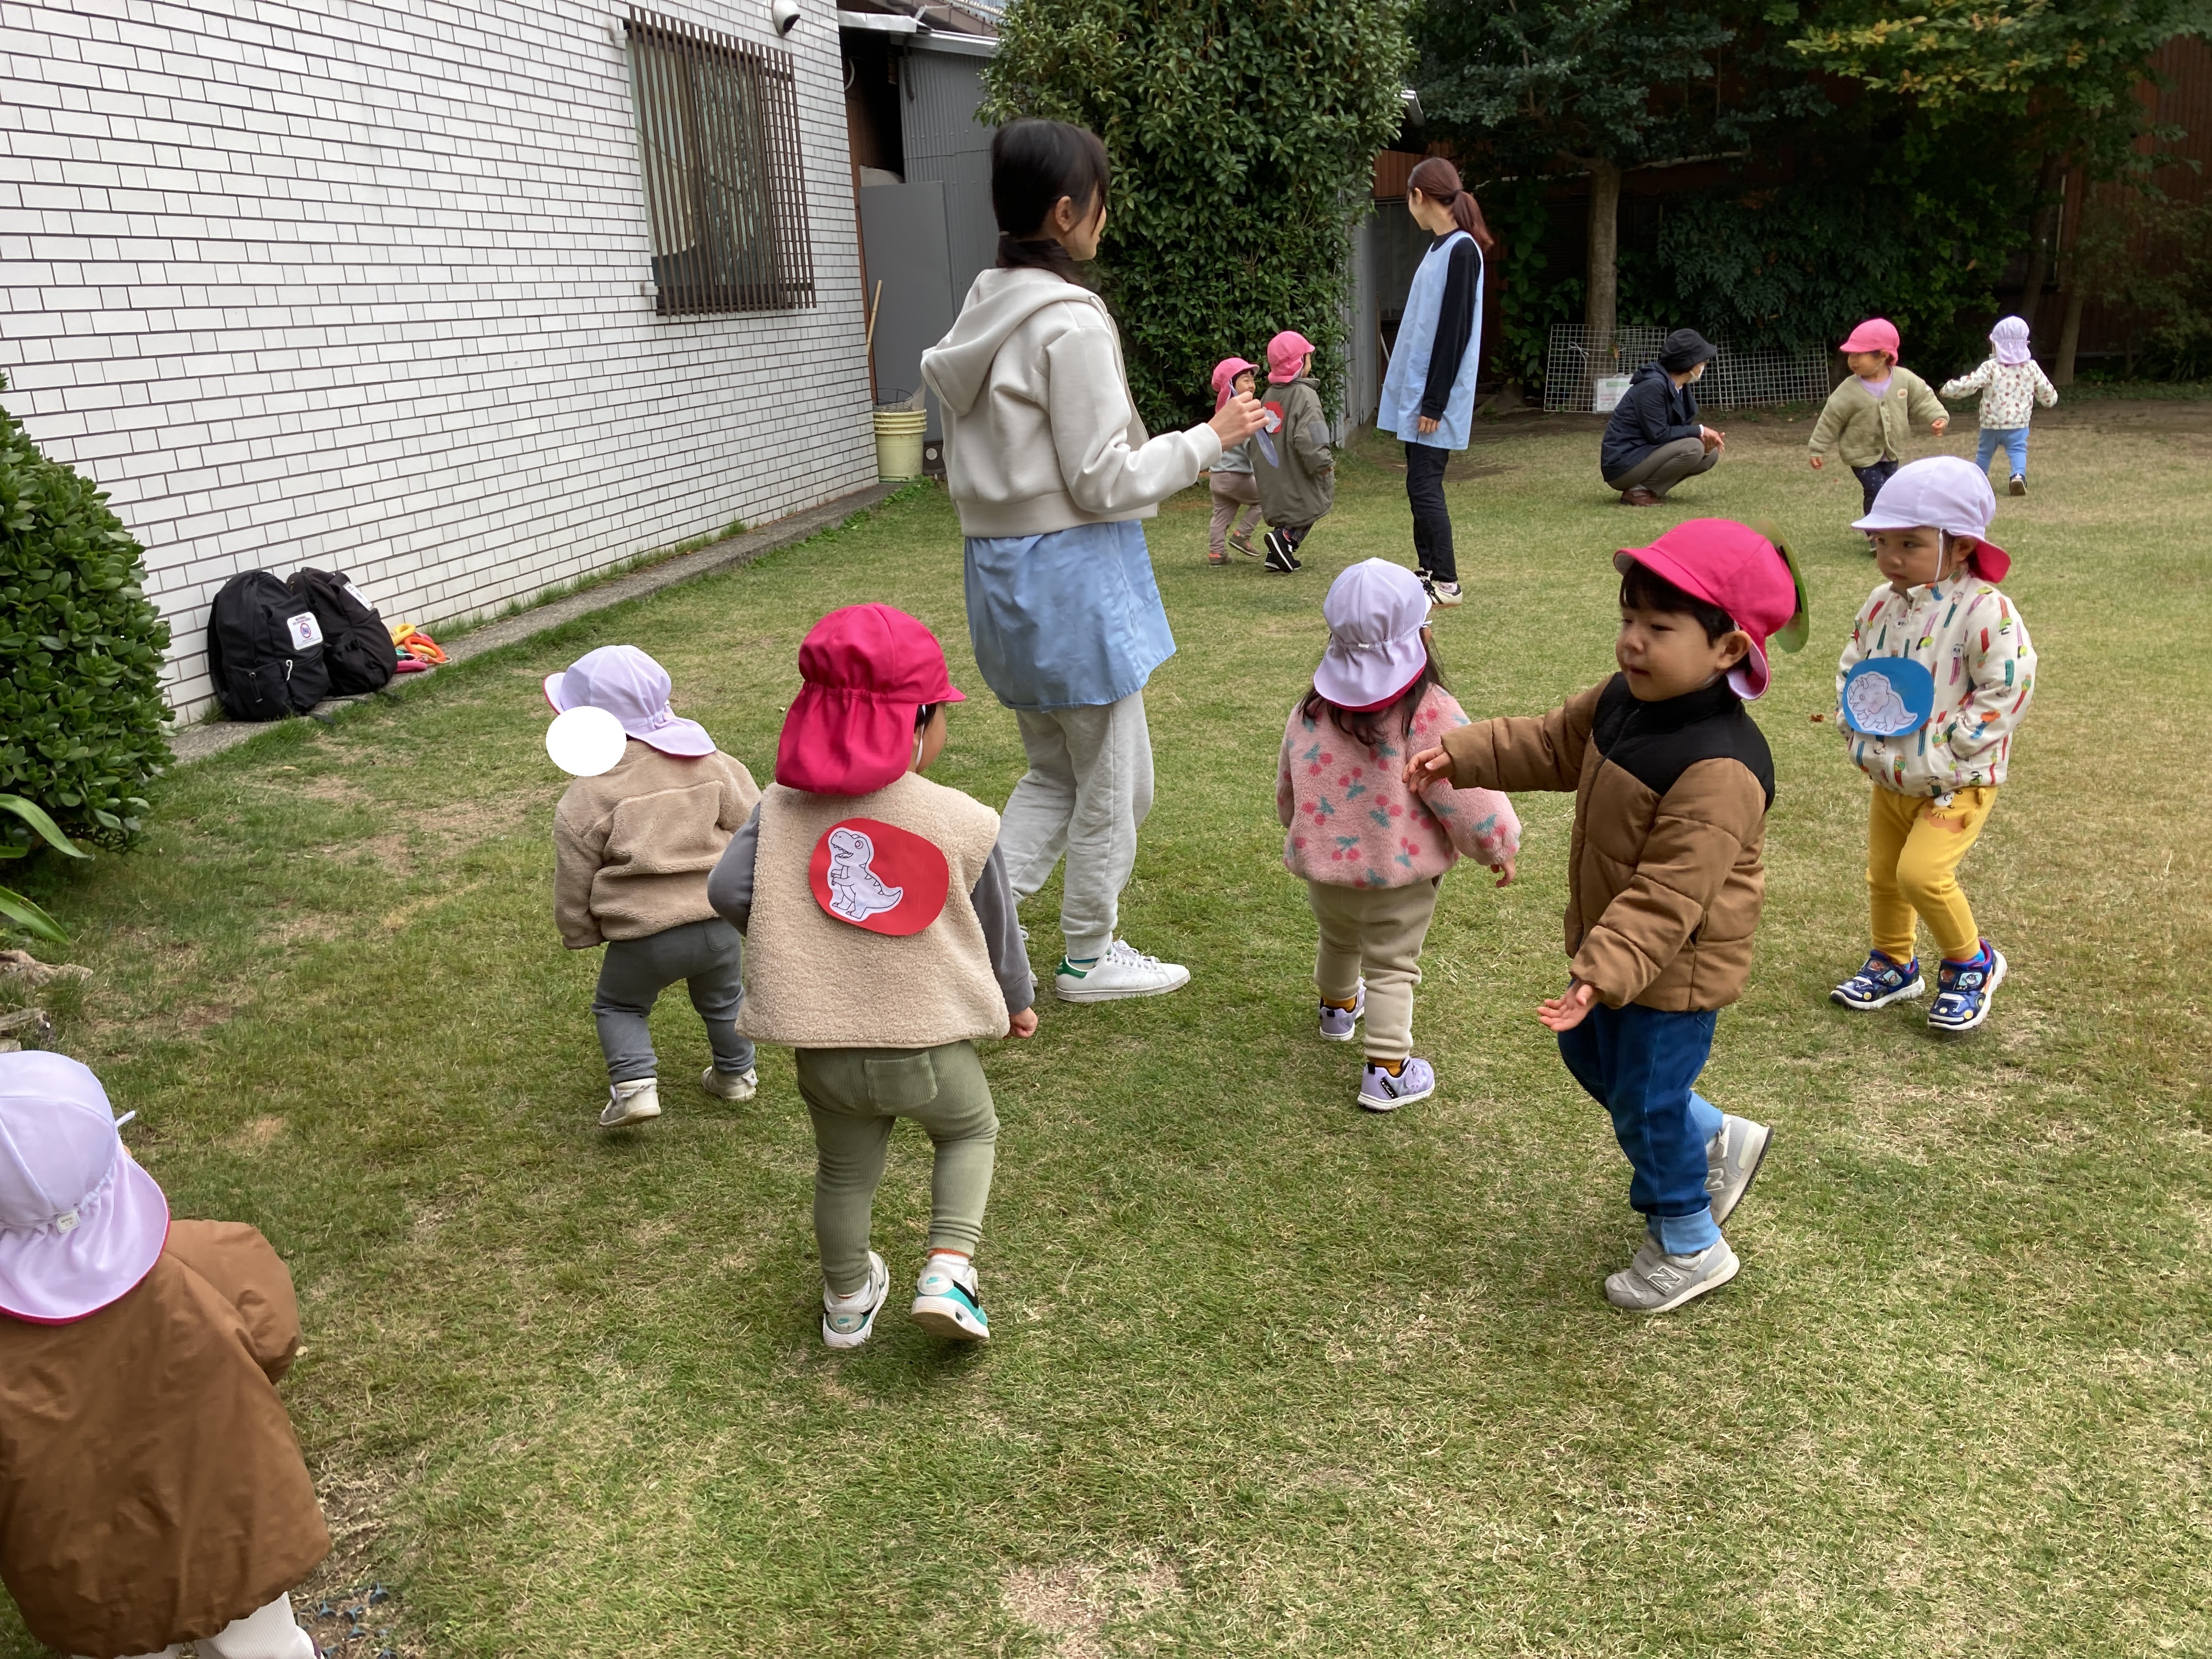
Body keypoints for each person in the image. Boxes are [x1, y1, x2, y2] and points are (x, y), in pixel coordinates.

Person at [1406, 520, 1806, 1312]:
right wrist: (1468, 752)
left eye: (1659, 627)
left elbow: (1670, 894)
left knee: (1648, 1103)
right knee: (1591, 1056)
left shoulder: (1721, 767)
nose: (1633, 641)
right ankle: (1712, 1137)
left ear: (1728, 649)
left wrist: (1601, 970)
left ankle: (1690, 1241)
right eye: (1628, 619)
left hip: (1673, 969)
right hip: (1616, 953)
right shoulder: (1625, 698)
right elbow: (1555, 744)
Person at [921, 119, 1266, 1003]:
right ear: (1068, 211)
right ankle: (1086, 955)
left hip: (1003, 577)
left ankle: (965, 920)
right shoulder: (1067, 320)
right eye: (1101, 203)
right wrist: (1210, 438)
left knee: (1065, 772)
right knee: (1112, 784)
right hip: (1070, 578)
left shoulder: (984, 304)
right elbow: (1103, 477)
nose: (1106, 219)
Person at [708, 605, 1037, 1349]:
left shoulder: (778, 809)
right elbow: (997, 926)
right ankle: (948, 1272)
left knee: (843, 1171)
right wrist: (1017, 1001)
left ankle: (848, 1303)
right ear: (915, 722)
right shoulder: (963, 818)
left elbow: (726, 891)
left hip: (824, 1052)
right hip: (929, 1048)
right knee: (969, 1132)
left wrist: (792, 935)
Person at [0, 1052, 330, 1659]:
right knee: (264, 1648)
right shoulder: (200, 1260)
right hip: (234, 1526)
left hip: (92, 1576)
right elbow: (275, 1337)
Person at [1278, 560, 1519, 1110]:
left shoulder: (1311, 710)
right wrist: (1498, 845)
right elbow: (1469, 792)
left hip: (1325, 871)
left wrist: (1297, 826)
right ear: (1422, 637)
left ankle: (1337, 1010)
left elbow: (1289, 785)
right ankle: (1387, 1071)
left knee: (1338, 938)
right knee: (1391, 967)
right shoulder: (1429, 711)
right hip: (1399, 878)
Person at [1829, 456, 2035, 1034]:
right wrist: (1854, 722)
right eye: (1882, 542)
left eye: (1910, 544)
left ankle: (1972, 963)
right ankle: (1894, 962)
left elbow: (2009, 683)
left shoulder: (1986, 610)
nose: (1891, 557)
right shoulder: (1880, 603)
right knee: (1884, 875)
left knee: (1921, 875)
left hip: (1956, 782)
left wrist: (1955, 745)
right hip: (1891, 772)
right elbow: (1855, 667)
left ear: (1961, 546)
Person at [548, 645, 762, 1128]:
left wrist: (579, 930)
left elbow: (574, 878)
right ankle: (736, 1076)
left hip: (643, 937)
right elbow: (755, 825)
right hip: (717, 923)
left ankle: (634, 1088)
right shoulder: (714, 764)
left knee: (620, 1005)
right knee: (725, 1000)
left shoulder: (586, 797)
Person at [1375, 155, 1494, 608]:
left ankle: (1447, 581)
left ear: (1418, 196)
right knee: (1417, 483)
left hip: (1435, 395)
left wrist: (1434, 401)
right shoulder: (1439, 248)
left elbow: (1454, 330)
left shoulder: (1462, 250)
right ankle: (1427, 570)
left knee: (1425, 485)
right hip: (1421, 390)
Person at [1807, 317, 1950, 515]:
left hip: (1891, 451)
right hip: (1860, 453)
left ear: (1883, 356)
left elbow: (1923, 399)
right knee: (1878, 490)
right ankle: (1875, 529)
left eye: (1859, 355)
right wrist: (1817, 448)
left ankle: (1887, 525)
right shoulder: (1848, 389)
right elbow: (1831, 419)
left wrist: (1938, 417)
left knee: (1889, 490)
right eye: (1851, 355)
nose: (1852, 361)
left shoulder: (1905, 379)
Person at [1599, 329, 1726, 506]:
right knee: (1694, 447)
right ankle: (1637, 492)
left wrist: (1702, 439)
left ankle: (1647, 490)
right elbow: (1659, 434)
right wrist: (1700, 430)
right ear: (1690, 363)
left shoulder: (1679, 386)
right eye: (1703, 360)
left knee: (1709, 453)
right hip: (1623, 464)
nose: (1705, 364)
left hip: (1645, 455)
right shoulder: (1653, 385)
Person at [1941, 316, 2058, 497]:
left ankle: (1979, 480)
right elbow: (2045, 389)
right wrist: (2050, 400)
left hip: (1991, 423)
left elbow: (1972, 383)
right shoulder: (2031, 367)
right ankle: (2018, 476)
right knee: (2018, 450)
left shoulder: (1991, 367)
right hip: (2019, 423)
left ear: (1999, 345)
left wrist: (1949, 389)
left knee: (1984, 453)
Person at [1251, 330, 1335, 574]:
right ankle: (1285, 538)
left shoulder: (1270, 394)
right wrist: (1323, 462)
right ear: (1300, 362)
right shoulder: (1306, 395)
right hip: (1298, 466)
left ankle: (1277, 553)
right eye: (1308, 357)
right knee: (1310, 504)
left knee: (1289, 505)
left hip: (1274, 465)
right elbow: (1312, 434)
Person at [1206, 357, 1263, 565]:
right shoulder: (1243, 414)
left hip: (1218, 477)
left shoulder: (1220, 415)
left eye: (1252, 380)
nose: (1252, 384)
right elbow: (1253, 446)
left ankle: (1216, 553)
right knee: (1266, 499)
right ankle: (1242, 535)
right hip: (1237, 476)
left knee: (1221, 516)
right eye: (1245, 380)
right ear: (1230, 385)